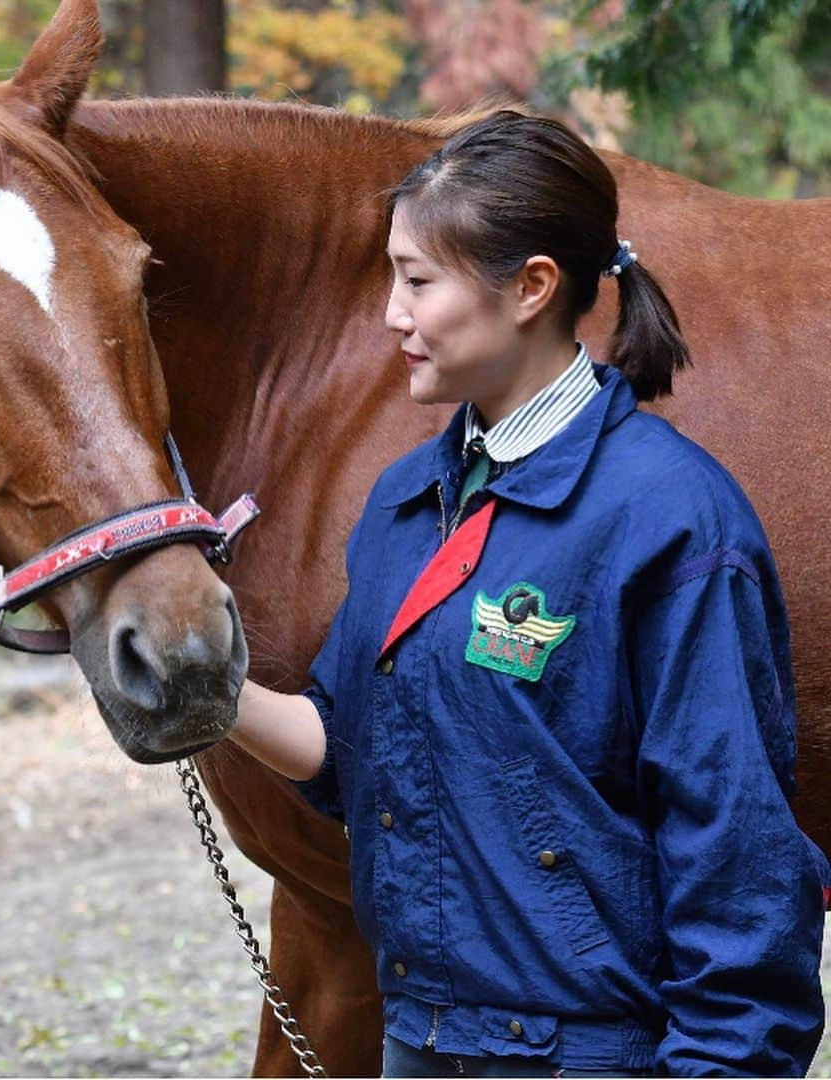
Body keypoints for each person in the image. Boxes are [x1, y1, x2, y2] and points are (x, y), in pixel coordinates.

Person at [230, 110, 828, 1077]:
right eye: (391, 275)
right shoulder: (404, 503)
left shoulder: (670, 517)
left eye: (417, 280)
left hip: (588, 1056)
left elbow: (740, 861)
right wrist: (214, 696)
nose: (391, 312)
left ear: (532, 287)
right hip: (419, 1040)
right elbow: (351, 754)